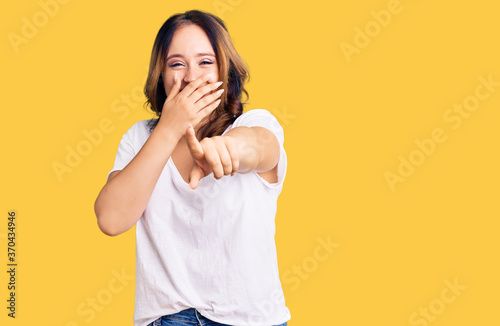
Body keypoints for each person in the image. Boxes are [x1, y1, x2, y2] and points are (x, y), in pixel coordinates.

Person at [94, 9, 290, 326]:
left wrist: (228, 148)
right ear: (160, 74)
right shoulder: (139, 138)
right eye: (176, 63)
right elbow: (111, 219)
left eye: (205, 62)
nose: (190, 76)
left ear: (225, 70)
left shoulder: (256, 123)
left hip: (250, 319)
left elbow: (258, 147)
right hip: (168, 318)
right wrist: (170, 129)